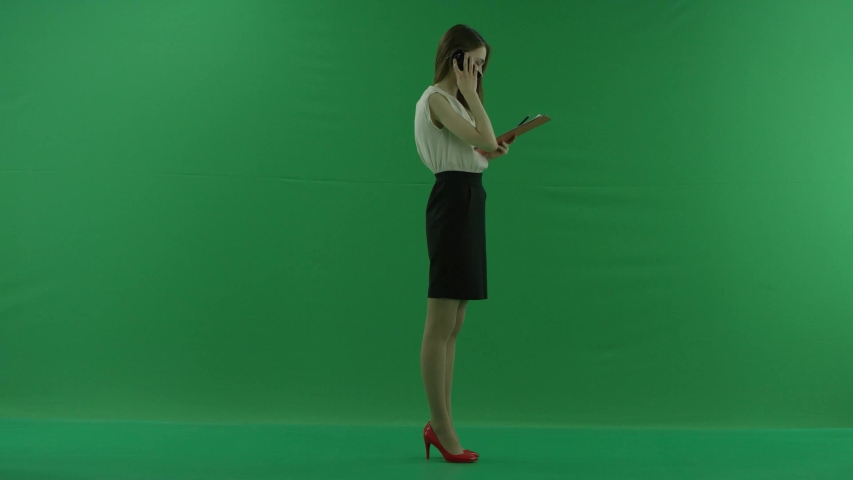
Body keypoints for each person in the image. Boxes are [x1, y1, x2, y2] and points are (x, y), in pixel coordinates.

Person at [414, 24, 515, 463]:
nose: (477, 71)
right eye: (472, 63)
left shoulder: (456, 101)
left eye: (481, 65)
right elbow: (482, 137)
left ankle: (443, 421)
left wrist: (488, 152)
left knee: (456, 322)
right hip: (452, 201)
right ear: (454, 60)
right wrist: (471, 98)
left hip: (471, 199)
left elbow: (482, 144)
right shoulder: (437, 98)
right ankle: (440, 427)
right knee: (440, 322)